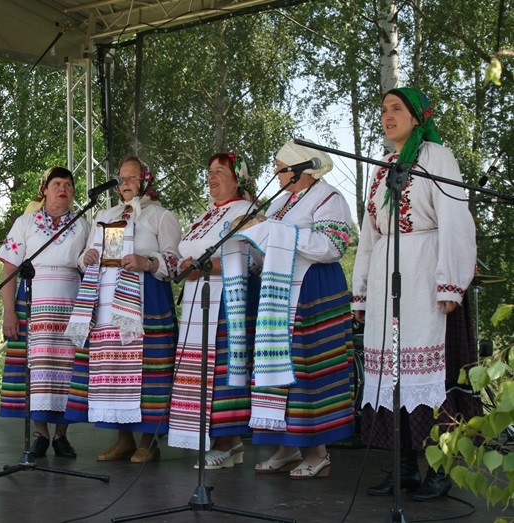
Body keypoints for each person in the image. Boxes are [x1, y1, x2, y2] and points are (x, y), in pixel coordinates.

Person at [351, 87, 480, 500]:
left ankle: (441, 468)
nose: (388, 116)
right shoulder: (381, 166)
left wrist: (451, 282)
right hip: (389, 278)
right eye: (384, 110)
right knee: (391, 376)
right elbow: (370, 234)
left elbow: (455, 220)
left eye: (396, 109)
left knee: (431, 378)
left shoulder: (436, 157)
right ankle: (402, 466)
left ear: (417, 116)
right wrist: (362, 291)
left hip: (427, 275)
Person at [223, 140, 355, 479]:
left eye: (279, 165)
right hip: (278, 294)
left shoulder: (330, 198)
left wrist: (277, 231)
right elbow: (270, 244)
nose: (275, 172)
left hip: (314, 290)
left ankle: (318, 451)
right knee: (276, 369)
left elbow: (334, 246)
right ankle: (287, 445)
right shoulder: (281, 202)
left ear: (299, 169)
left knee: (306, 368)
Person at [64, 156, 181, 463]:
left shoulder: (160, 216)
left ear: (146, 181)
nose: (125, 183)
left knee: (146, 371)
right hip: (107, 304)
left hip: (146, 299)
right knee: (114, 370)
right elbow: (86, 258)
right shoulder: (106, 215)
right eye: (121, 178)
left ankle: (148, 441)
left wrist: (148, 262)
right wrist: (86, 257)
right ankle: (124, 439)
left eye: (132, 177)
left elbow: (174, 261)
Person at [167, 152, 260, 469]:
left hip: (226, 301)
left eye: (220, 171)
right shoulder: (205, 215)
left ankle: (224, 440)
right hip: (198, 301)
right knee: (202, 371)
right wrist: (186, 266)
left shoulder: (246, 211)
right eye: (210, 171)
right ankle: (230, 444)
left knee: (221, 371)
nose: (212, 176)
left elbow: (252, 260)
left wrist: (203, 267)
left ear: (238, 179)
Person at [0, 166, 90, 458]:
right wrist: (8, 312)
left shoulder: (82, 224)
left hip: (72, 305)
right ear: (45, 189)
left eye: (68, 185)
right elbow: (10, 268)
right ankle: (40, 434)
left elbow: (90, 265)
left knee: (68, 370)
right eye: (57, 183)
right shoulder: (25, 223)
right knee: (35, 370)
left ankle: (62, 436)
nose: (63, 189)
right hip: (33, 304)